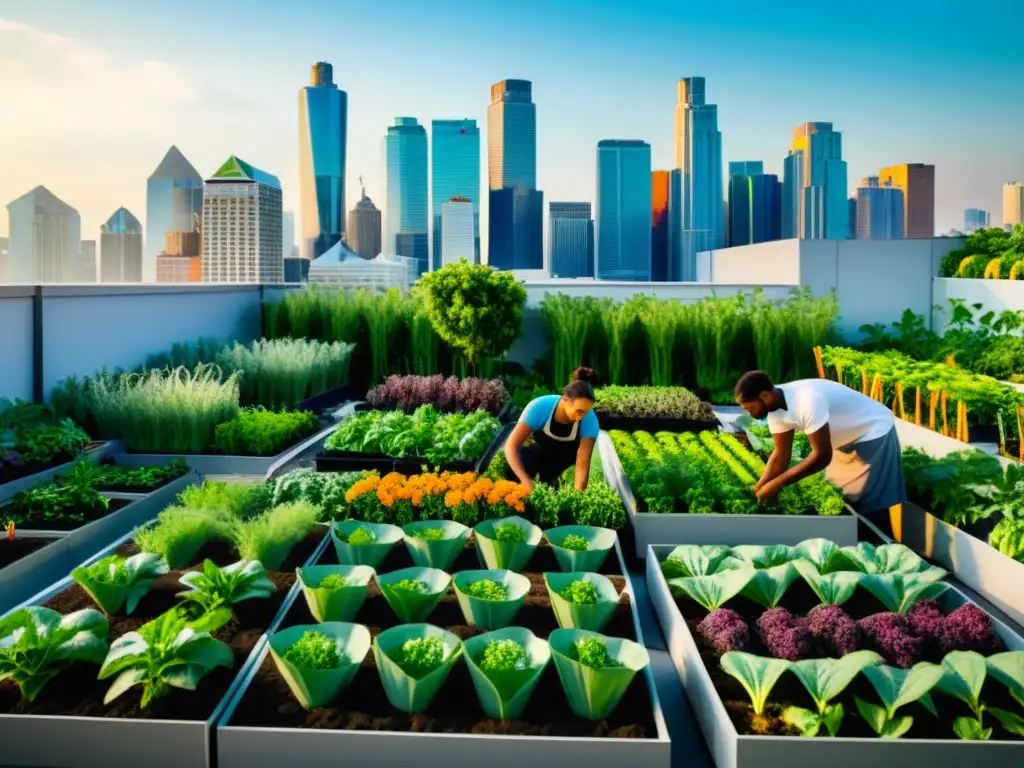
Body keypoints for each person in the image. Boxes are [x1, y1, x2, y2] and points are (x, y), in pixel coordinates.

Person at [733, 370, 906, 533]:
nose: (746, 411)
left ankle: (881, 546)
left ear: (765, 396)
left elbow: (822, 456)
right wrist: (760, 487)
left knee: (868, 501)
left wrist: (777, 484)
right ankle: (858, 539)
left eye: (747, 407)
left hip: (872, 430)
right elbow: (780, 454)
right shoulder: (775, 410)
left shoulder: (806, 400)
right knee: (843, 496)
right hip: (844, 439)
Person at [505, 367, 601, 493]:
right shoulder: (540, 407)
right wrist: (525, 481)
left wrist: (577, 496)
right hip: (527, 463)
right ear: (566, 401)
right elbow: (511, 445)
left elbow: (582, 464)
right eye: (579, 411)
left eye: (586, 412)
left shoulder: (590, 420)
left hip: (555, 470)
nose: (582, 416)